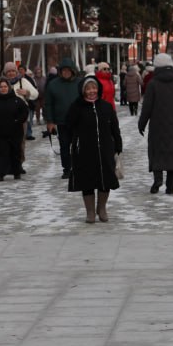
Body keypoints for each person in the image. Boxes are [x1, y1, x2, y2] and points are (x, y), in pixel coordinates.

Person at [65, 76, 122, 223]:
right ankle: (90, 212)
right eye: (88, 88)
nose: (92, 91)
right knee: (87, 180)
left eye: (94, 88)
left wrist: (118, 146)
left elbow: (114, 128)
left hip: (105, 149)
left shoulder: (106, 106)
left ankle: (101, 208)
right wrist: (71, 144)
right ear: (83, 91)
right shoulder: (76, 106)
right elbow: (68, 126)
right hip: (84, 149)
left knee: (106, 179)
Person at [138, 53, 173, 195]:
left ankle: (158, 179)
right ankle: (171, 187)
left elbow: (147, 107)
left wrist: (141, 124)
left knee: (157, 153)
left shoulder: (153, 84)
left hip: (157, 126)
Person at [43, 58, 82, 179]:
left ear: (73, 71)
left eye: (68, 70)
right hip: (61, 121)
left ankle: (78, 167)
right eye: (63, 70)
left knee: (77, 146)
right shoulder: (53, 85)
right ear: (60, 71)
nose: (66, 72)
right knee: (64, 146)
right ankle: (67, 169)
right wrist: (49, 121)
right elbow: (48, 104)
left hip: (78, 121)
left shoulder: (80, 83)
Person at [0, 78, 28, 181]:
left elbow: (24, 112)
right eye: (1, 87)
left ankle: (16, 172)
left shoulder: (18, 100)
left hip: (15, 132)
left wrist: (18, 121)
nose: (3, 89)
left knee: (16, 152)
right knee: (1, 154)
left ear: (9, 88)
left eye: (5, 87)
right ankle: (0, 173)